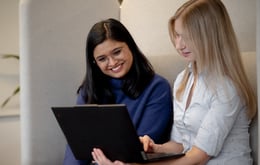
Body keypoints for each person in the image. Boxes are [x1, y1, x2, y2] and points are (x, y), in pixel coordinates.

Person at [91, 0, 257, 164]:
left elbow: (198, 158)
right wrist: (157, 148)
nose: (179, 45)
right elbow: (181, 145)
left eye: (187, 36)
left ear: (210, 37)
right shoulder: (183, 80)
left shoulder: (227, 88)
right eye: (177, 35)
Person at [63, 18, 174, 165]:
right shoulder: (88, 91)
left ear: (130, 47)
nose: (112, 62)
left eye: (116, 52)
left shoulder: (157, 88)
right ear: (94, 63)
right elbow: (76, 148)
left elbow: (140, 149)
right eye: (102, 59)